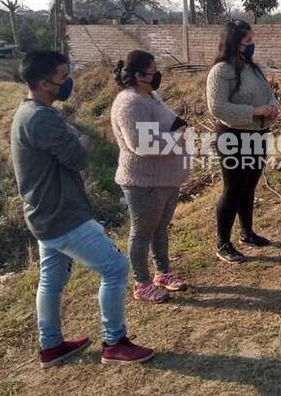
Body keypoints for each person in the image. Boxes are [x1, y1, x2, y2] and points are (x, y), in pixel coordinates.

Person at [10, 50, 154, 368]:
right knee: (115, 268)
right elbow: (78, 156)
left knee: (50, 279)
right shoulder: (41, 118)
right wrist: (81, 141)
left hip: (43, 213)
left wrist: (75, 139)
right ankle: (114, 342)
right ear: (44, 82)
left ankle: (51, 346)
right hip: (63, 215)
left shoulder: (28, 112)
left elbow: (69, 148)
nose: (67, 81)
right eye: (62, 76)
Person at [111, 50, 191, 303]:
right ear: (137, 75)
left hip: (166, 178)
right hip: (143, 181)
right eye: (152, 72)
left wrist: (178, 129)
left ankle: (163, 272)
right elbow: (141, 144)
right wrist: (177, 137)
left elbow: (169, 123)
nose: (157, 76)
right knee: (142, 232)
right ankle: (141, 283)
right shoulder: (129, 102)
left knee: (160, 228)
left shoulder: (150, 95)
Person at [206, 20, 279, 264]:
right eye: (247, 41)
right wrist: (256, 111)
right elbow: (217, 107)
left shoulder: (253, 68)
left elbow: (269, 93)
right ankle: (223, 243)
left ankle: (247, 232)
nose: (252, 45)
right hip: (233, 136)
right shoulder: (221, 72)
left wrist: (272, 107)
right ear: (235, 44)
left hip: (257, 135)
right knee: (233, 190)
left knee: (249, 187)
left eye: (251, 41)